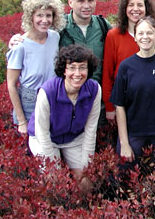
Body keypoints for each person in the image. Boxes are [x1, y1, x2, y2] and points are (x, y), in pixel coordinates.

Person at [9, 0, 112, 126]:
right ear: (70, 2)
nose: (86, 5)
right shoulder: (59, 28)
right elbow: (37, 33)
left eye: (90, 0)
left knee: (95, 143)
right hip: (65, 101)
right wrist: (17, 40)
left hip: (97, 100)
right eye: (80, 0)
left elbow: (119, 45)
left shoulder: (103, 25)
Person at [28, 45, 101, 190]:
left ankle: (81, 210)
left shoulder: (94, 90)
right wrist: (52, 165)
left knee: (86, 180)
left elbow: (91, 130)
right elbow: (42, 132)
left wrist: (87, 165)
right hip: (45, 138)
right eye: (72, 67)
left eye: (82, 67)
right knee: (53, 180)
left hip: (74, 138)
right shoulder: (48, 91)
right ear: (64, 70)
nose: (77, 73)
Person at [110, 16, 155, 163]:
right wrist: (124, 143)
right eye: (140, 33)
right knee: (127, 180)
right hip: (134, 134)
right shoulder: (126, 67)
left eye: (149, 33)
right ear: (135, 37)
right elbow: (119, 106)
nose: (145, 37)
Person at [102, 0, 155, 122]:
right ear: (124, 8)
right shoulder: (114, 35)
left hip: (152, 101)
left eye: (140, 5)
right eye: (131, 5)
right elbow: (107, 73)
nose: (135, 9)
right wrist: (109, 107)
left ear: (146, 8)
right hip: (123, 103)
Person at [6, 0, 65, 134]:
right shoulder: (19, 46)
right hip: (29, 101)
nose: (44, 20)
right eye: (39, 15)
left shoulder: (55, 37)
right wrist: (21, 121)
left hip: (53, 97)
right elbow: (11, 85)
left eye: (48, 15)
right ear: (30, 17)